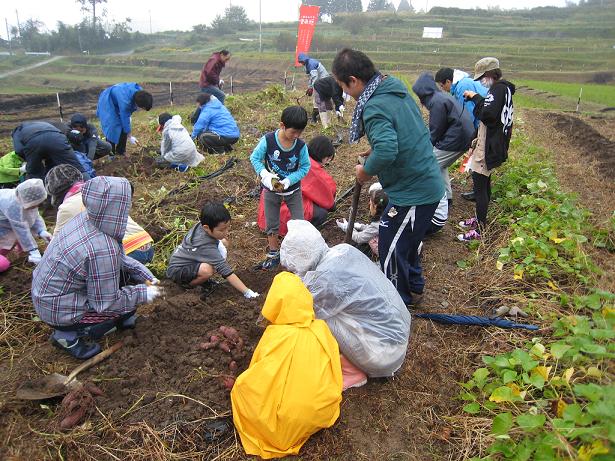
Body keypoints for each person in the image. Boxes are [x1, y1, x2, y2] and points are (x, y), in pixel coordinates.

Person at [331, 48, 444, 306]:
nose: (344, 93)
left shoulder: (373, 107)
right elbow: (403, 129)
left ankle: (396, 303)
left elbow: (388, 149)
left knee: (391, 248)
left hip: (414, 191)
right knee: (406, 242)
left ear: (354, 81)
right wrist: (375, 148)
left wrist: (365, 171)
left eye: (342, 86)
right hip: (420, 182)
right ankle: (414, 288)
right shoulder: (392, 88)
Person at [32, 176, 162, 359]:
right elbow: (106, 304)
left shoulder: (89, 218)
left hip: (48, 295)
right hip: (58, 310)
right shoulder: (101, 248)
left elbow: (120, 258)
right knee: (126, 298)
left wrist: (144, 274)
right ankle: (67, 336)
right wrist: (144, 293)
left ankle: (122, 318)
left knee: (128, 281)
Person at [280, 220, 412, 378]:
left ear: (302, 257)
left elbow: (301, 309)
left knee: (316, 318)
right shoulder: (343, 250)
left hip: (382, 355)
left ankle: (351, 369)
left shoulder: (323, 279)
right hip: (398, 333)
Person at [45, 165, 155, 264]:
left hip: (128, 253)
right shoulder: (99, 191)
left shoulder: (67, 207)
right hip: (146, 246)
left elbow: (55, 246)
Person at [458, 57, 515, 242]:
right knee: (484, 183)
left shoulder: (498, 90)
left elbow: (488, 115)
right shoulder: (504, 90)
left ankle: (479, 230)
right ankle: (479, 220)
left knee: (480, 186)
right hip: (493, 143)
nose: (482, 81)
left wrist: (475, 98)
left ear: (491, 74)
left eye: (483, 77)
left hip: (489, 145)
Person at [250, 106, 310, 270]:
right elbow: (255, 158)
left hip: (293, 190)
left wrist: (289, 180)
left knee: (299, 221)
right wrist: (265, 174)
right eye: (293, 132)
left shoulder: (300, 146)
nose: (296, 136)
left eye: (300, 132)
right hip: (271, 189)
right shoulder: (268, 140)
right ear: (282, 125)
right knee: (271, 223)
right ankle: (273, 253)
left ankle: (300, 252)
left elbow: (304, 168)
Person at [166, 201, 259, 300]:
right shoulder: (204, 245)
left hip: (189, 260)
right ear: (206, 228)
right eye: (222, 230)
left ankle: (201, 280)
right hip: (177, 271)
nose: (226, 232)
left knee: (222, 242)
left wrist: (221, 236)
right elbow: (225, 271)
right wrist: (247, 292)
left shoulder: (203, 224)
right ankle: (188, 286)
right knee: (207, 270)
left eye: (228, 228)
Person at [412, 72, 474, 205]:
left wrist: (425, 147)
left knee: (429, 163)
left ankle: (425, 199)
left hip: (457, 138)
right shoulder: (440, 97)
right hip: (463, 135)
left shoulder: (436, 102)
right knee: (440, 165)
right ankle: (447, 197)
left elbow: (436, 129)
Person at [257, 135, 336, 237]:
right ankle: (298, 234)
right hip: (283, 208)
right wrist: (331, 203)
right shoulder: (311, 167)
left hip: (268, 209)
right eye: (328, 158)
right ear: (324, 156)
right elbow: (326, 194)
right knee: (321, 213)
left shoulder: (298, 154)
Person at [435, 67, 489, 202]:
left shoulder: (462, 86)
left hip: (482, 127)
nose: (442, 89)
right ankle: (479, 193)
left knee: (478, 163)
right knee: (481, 164)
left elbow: (467, 116)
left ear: (448, 81)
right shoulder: (462, 83)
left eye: (442, 85)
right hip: (483, 125)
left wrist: (473, 138)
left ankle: (480, 195)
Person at [0, 179, 51, 271]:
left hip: (5, 223)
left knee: (21, 238)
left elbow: (34, 215)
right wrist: (33, 250)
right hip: (2, 227)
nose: (36, 207)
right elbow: (21, 229)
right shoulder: (12, 205)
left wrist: (41, 230)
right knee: (3, 264)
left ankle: (18, 251)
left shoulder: (24, 198)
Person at [11, 121, 89, 181]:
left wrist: (30, 161)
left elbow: (19, 150)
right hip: (57, 138)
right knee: (76, 167)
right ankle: (92, 186)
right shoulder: (42, 123)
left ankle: (40, 196)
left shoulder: (17, 131)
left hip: (33, 142)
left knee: (34, 173)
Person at [96, 82, 153, 156]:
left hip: (118, 98)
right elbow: (125, 118)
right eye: (142, 108)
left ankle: (121, 151)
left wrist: (128, 130)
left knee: (124, 127)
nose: (141, 109)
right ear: (138, 104)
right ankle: (111, 153)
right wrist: (129, 135)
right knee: (112, 127)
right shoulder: (125, 102)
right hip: (107, 100)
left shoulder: (141, 93)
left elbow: (127, 116)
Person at [335, 182, 388, 257]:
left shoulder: (377, 225)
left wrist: (347, 227)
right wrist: (360, 226)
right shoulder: (388, 215)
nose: (369, 206)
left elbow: (359, 238)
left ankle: (382, 260)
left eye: (370, 204)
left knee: (371, 239)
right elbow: (373, 230)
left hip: (387, 253)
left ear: (375, 207)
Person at [297, 53, 330, 124]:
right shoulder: (307, 64)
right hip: (320, 82)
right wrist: (309, 87)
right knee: (317, 99)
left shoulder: (311, 64)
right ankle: (317, 115)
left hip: (323, 81)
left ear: (304, 60)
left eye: (302, 62)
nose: (301, 63)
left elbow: (315, 77)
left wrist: (311, 88)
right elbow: (310, 77)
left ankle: (315, 117)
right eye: (300, 62)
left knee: (317, 99)